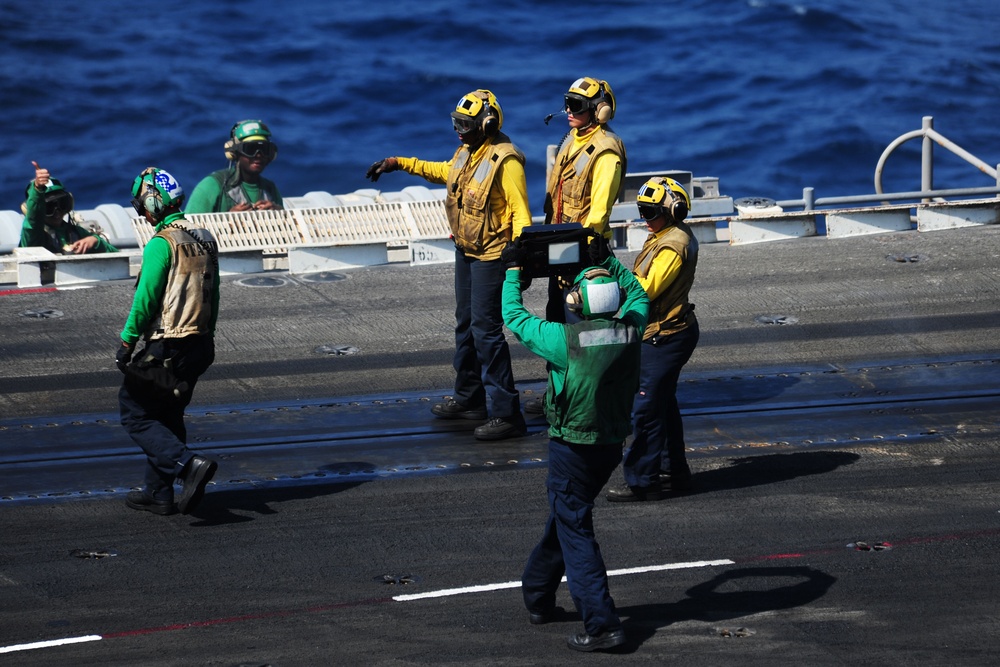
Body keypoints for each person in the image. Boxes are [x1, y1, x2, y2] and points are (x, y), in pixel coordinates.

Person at [501, 246, 649, 652]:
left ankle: (602, 625)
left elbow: (513, 316)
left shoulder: (565, 339)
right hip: (609, 448)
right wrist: (610, 258)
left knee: (575, 529)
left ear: (576, 302)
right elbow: (639, 294)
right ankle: (537, 596)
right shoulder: (632, 328)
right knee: (567, 518)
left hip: (571, 448)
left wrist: (514, 272)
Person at [365, 89, 529, 440]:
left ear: (487, 124)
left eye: (465, 125)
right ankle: (470, 399)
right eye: (456, 123)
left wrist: (518, 261)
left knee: (487, 333)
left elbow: (520, 213)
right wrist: (399, 163)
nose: (458, 131)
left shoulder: (506, 159)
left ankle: (507, 413)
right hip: (466, 251)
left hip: (491, 256)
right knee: (465, 325)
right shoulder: (467, 152)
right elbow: (445, 172)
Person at [116, 167, 220, 516]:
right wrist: (210, 336)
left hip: (168, 346)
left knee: (135, 414)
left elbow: (145, 299)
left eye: (141, 206)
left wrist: (128, 341)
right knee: (168, 415)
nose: (142, 214)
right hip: (200, 344)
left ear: (152, 204)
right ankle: (158, 493)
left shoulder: (162, 244)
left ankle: (189, 464)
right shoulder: (204, 236)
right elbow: (214, 295)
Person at [606, 177, 700, 502]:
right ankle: (674, 471)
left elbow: (643, 291)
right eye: (641, 211)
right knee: (662, 404)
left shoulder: (674, 245)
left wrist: (608, 267)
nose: (644, 219)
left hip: (666, 337)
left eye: (650, 212)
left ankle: (643, 481)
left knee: (646, 409)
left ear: (672, 210)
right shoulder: (663, 234)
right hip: (662, 333)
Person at [185, 119, 283, 213]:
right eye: (250, 149)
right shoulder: (212, 185)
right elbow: (187, 227)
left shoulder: (271, 189)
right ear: (234, 153)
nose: (258, 155)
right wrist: (228, 219)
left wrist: (280, 214)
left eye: (264, 149)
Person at [19, 161, 118, 254]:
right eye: (49, 207)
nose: (57, 212)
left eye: (61, 204)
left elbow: (115, 255)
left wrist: (95, 241)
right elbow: (33, 219)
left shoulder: (77, 232)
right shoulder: (33, 236)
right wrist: (37, 188)